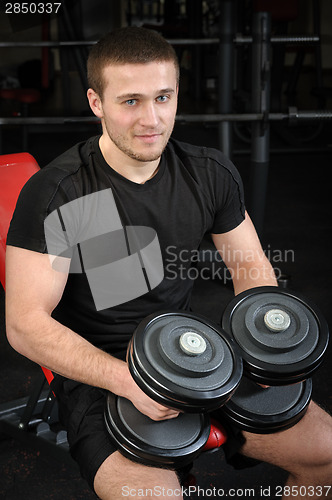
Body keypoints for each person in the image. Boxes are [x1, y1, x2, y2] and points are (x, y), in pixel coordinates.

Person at [5, 27, 332, 500]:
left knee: (325, 453)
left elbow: (251, 269)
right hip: (104, 369)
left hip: (192, 350)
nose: (151, 119)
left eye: (163, 97)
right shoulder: (62, 190)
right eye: (131, 101)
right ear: (96, 102)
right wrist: (131, 383)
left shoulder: (207, 173)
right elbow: (25, 325)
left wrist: (264, 349)